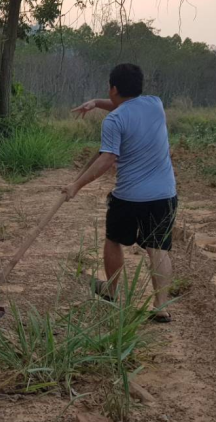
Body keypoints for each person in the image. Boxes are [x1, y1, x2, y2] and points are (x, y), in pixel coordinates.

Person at [62, 63, 177, 322]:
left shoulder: (114, 120)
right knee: (158, 248)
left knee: (114, 240)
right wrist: (96, 103)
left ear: (113, 88)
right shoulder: (155, 104)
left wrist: (76, 186)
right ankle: (161, 307)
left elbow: (107, 159)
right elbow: (127, 106)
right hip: (164, 195)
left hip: (129, 196)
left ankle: (112, 292)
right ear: (139, 86)